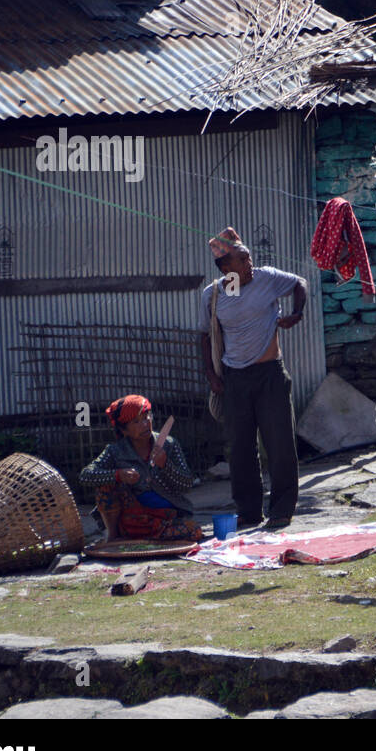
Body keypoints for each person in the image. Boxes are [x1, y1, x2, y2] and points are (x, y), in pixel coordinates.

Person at [199, 227, 307, 530]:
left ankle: (282, 509)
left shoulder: (267, 278)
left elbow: (300, 284)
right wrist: (212, 375)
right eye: (242, 261)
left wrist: (297, 313)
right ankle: (248, 511)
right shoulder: (213, 295)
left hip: (270, 373)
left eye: (248, 258)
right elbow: (206, 337)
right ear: (225, 268)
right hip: (234, 379)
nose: (249, 265)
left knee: (280, 443)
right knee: (240, 448)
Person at [80, 395, 202, 542]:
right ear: (124, 430)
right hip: (131, 517)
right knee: (105, 486)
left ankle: (140, 538)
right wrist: (118, 475)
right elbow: (86, 475)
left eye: (146, 417)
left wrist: (165, 465)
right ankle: (114, 537)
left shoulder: (169, 444)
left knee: (194, 531)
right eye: (136, 422)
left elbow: (187, 485)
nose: (145, 424)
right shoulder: (115, 451)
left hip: (166, 518)